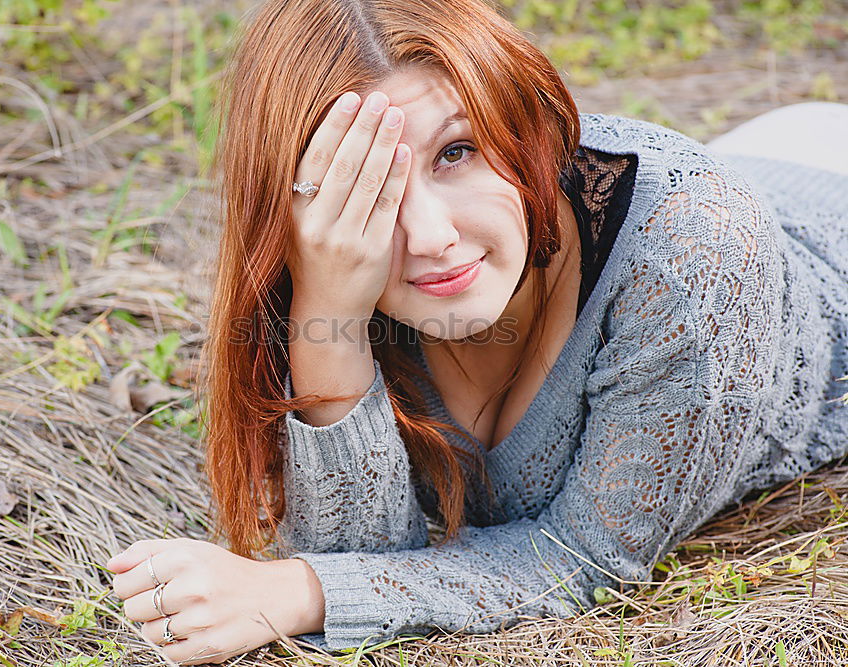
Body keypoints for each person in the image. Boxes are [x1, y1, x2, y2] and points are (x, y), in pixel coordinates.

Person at [103, 0, 848, 663]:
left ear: (524, 125)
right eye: (371, 189)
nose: (429, 236)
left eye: (455, 151)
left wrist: (300, 591)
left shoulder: (695, 263)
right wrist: (330, 310)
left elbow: (587, 555)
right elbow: (363, 547)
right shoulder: (328, 254)